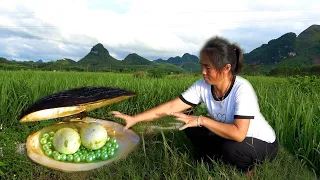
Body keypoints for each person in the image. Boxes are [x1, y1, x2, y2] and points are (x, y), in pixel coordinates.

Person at [111, 36, 278, 175]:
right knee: (188, 123)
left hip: (261, 143)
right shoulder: (203, 86)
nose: (203, 72)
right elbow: (171, 107)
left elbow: (239, 134)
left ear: (226, 68)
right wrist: (135, 118)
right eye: (202, 66)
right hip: (229, 134)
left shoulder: (242, 89)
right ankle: (212, 157)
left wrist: (202, 120)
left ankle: (248, 169)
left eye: (208, 67)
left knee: (232, 148)